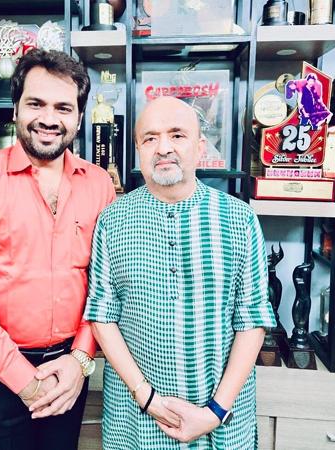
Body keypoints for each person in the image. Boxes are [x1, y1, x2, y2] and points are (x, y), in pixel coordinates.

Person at [0, 49, 116, 450]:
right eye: (36, 104)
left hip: (69, 374)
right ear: (15, 108)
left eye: (63, 108)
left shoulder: (99, 186)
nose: (49, 119)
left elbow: (104, 285)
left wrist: (80, 360)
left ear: (79, 118)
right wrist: (26, 381)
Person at [82, 96, 276, 449]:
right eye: (150, 138)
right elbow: (102, 316)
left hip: (221, 420)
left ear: (200, 147)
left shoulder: (239, 219)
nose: (163, 148)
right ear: (138, 150)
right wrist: (146, 397)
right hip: (136, 418)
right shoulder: (112, 220)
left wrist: (215, 411)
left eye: (177, 135)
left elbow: (252, 320)